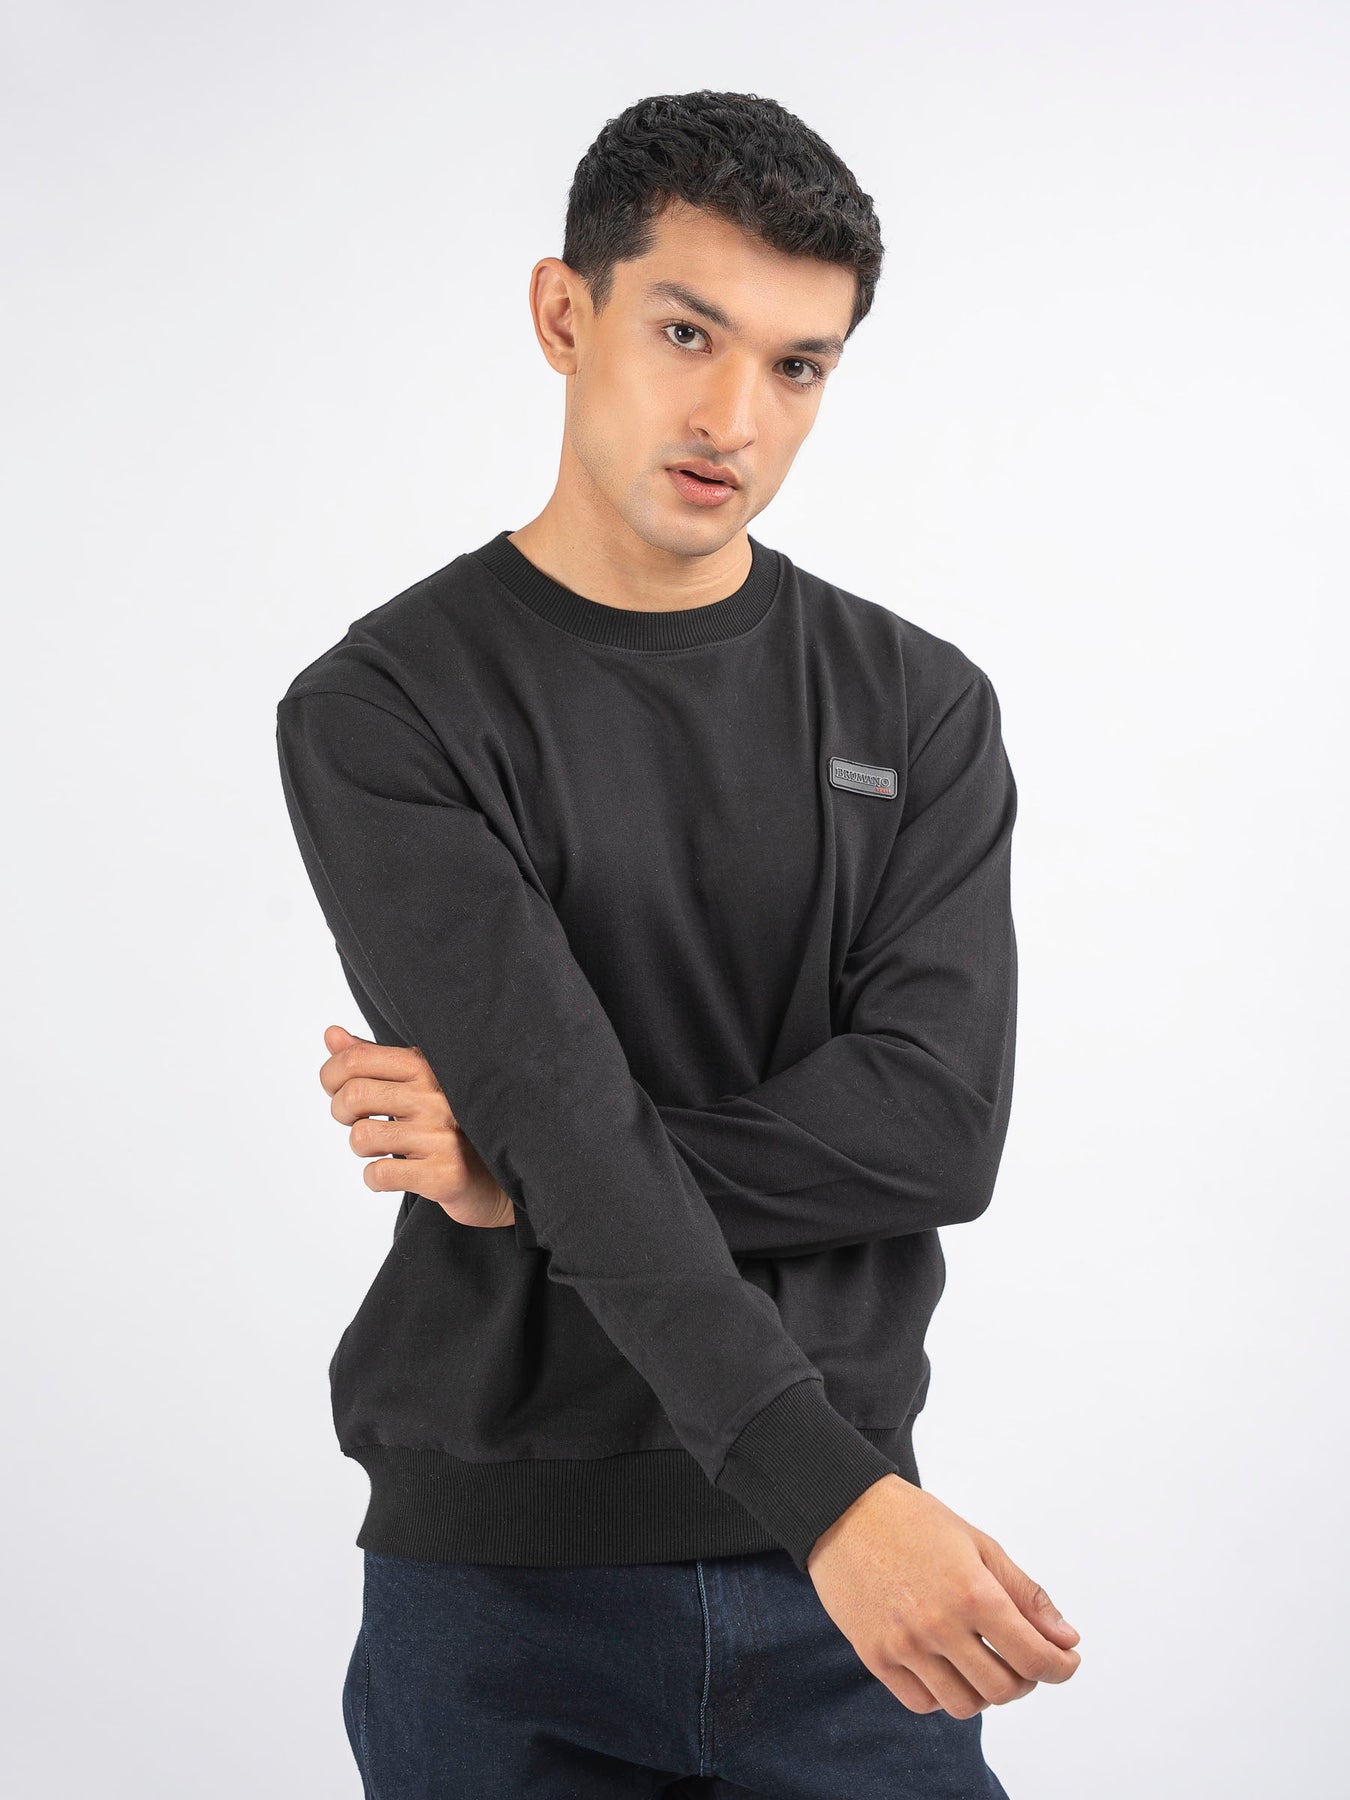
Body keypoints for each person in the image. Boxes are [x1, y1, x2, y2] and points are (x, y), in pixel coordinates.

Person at [276, 87, 1081, 1800]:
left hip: (851, 1602)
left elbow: (934, 1130)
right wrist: (835, 1500)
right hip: (509, 1589)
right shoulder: (386, 710)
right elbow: (564, 1115)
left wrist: (516, 1168)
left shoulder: (918, 708)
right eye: (686, 332)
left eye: (797, 366)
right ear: (565, 314)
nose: (734, 416)